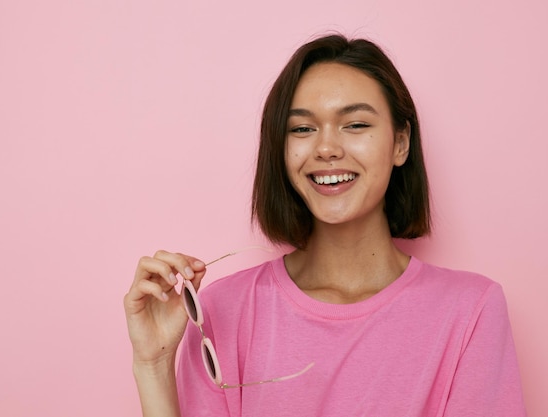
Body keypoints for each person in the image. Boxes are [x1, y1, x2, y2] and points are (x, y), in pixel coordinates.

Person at [124, 33, 527, 416]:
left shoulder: (471, 310)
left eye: (355, 125)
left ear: (400, 143)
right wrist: (153, 366)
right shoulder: (220, 309)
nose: (327, 148)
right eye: (302, 129)